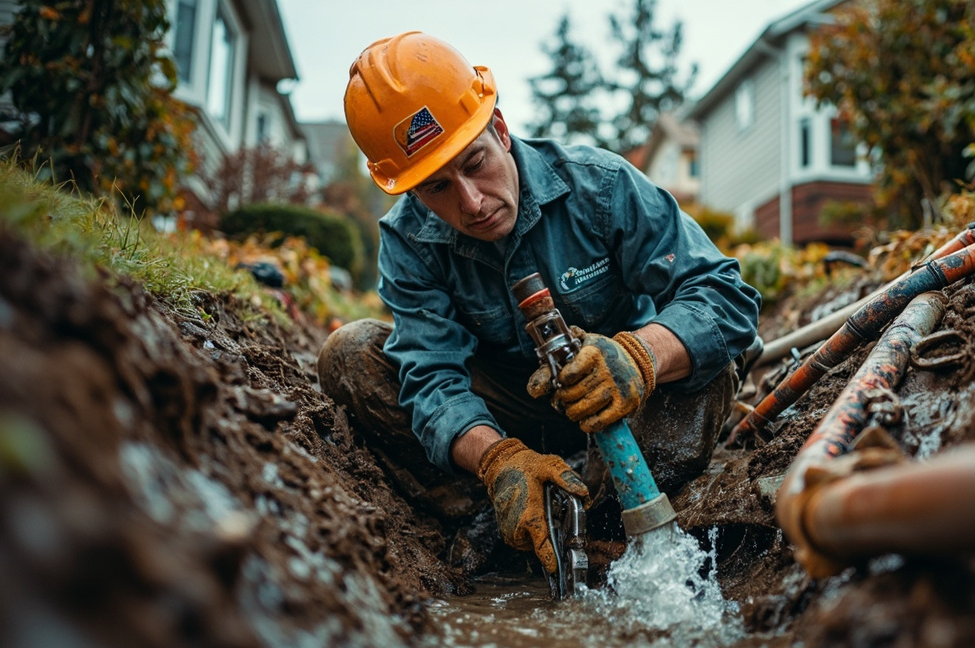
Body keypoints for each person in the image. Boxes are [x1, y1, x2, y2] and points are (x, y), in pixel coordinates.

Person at [318, 31, 762, 576]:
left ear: (500, 130)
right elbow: (432, 377)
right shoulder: (410, 239)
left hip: (627, 406)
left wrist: (640, 358)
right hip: (511, 416)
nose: (471, 202)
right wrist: (496, 458)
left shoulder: (599, 186)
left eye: (474, 162)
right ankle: (503, 506)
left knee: (711, 360)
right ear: (410, 191)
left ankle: (597, 524)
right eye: (436, 188)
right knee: (350, 353)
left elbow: (724, 295)